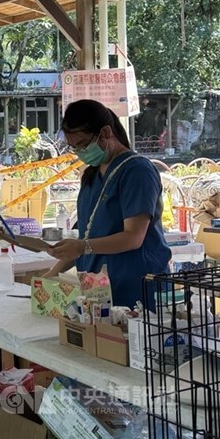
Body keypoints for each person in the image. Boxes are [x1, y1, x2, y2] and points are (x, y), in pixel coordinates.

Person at [47, 99, 171, 310]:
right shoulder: (92, 176)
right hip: (99, 290)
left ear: (105, 133)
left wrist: (82, 246)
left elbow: (133, 237)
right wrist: (49, 277)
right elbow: (86, 239)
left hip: (137, 288)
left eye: (83, 145)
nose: (80, 153)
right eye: (74, 148)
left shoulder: (137, 171)